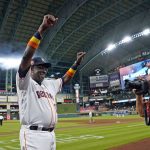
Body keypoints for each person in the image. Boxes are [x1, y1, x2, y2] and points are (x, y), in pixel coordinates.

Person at [16, 14, 86, 150]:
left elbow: (65, 79)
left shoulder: (49, 84)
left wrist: (76, 64)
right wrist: (42, 29)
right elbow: (26, 57)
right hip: (32, 135)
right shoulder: (25, 83)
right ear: (31, 69)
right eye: (40, 67)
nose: (44, 70)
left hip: (51, 135)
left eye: (45, 67)